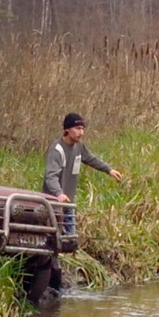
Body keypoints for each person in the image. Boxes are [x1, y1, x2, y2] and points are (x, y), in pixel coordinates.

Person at [42, 112, 123, 289]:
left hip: (68, 204)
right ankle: (52, 275)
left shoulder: (79, 147)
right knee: (53, 241)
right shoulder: (57, 150)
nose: (81, 132)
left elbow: (91, 159)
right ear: (67, 129)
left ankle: (59, 276)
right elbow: (51, 177)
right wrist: (59, 194)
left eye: (83, 129)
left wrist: (109, 170)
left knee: (70, 241)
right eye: (78, 128)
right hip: (54, 204)